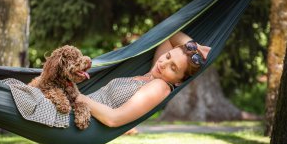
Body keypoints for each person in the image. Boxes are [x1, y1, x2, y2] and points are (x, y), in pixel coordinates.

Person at [77, 31, 211, 128]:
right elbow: (170, 37)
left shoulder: (160, 86)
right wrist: (196, 47)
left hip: (79, 118)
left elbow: (114, 119)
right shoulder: (152, 75)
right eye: (168, 56)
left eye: (173, 68)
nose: (163, 63)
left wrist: (77, 97)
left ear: (179, 81)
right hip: (76, 106)